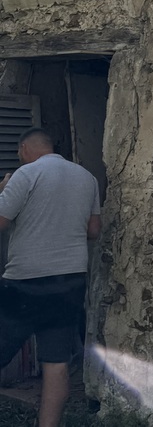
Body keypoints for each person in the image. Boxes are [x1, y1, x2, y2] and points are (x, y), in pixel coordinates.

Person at [0, 127, 101, 427]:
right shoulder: (87, 178)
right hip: (69, 282)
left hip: (25, 282)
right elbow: (94, 230)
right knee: (56, 364)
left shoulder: (25, 175)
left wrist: (3, 190)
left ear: (24, 149)